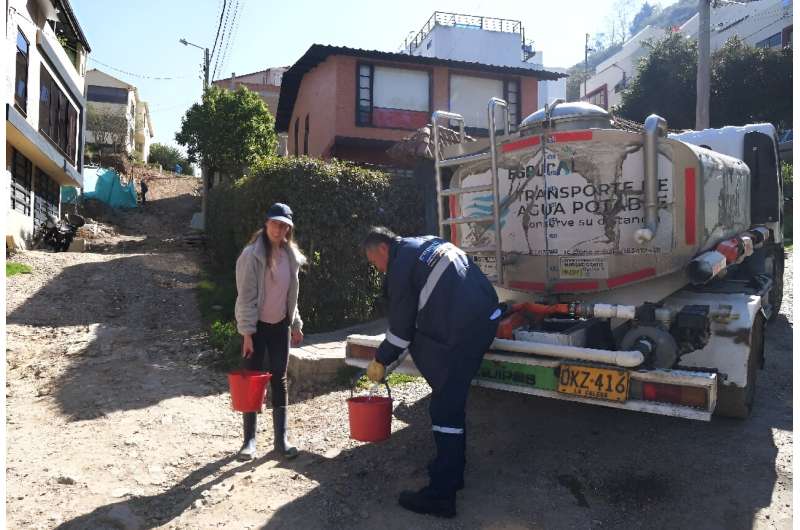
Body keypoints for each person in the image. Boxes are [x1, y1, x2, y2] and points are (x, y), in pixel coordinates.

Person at [362, 226, 501, 518]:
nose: (378, 268)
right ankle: (452, 472)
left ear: (383, 249)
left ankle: (441, 496)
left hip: (463, 330)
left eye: (375, 262)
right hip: (488, 316)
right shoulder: (427, 242)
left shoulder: (400, 266)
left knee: (444, 409)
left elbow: (400, 334)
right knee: (450, 400)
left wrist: (380, 360)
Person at [234, 203, 306, 460]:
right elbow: (245, 298)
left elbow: (291, 298)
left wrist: (295, 324)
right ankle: (249, 441)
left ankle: (280, 440)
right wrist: (247, 334)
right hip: (256, 328)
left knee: (279, 379)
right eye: (275, 223)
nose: (279, 228)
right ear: (266, 224)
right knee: (253, 380)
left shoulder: (291, 257)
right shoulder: (251, 256)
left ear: (289, 229)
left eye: (285, 225)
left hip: (281, 327)